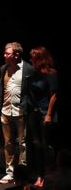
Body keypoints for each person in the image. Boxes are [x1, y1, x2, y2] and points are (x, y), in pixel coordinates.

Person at [0, 42, 34, 184]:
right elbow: (1, 88)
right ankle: (10, 173)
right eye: (5, 53)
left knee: (22, 143)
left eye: (8, 54)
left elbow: (32, 91)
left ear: (16, 55)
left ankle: (22, 173)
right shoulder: (4, 68)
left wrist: (27, 106)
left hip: (20, 112)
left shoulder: (28, 69)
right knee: (8, 143)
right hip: (6, 111)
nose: (4, 56)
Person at [26, 46, 58, 180]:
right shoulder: (34, 74)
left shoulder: (51, 74)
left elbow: (54, 95)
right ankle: (39, 175)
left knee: (46, 145)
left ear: (40, 59)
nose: (30, 60)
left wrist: (49, 114)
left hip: (45, 112)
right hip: (34, 113)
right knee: (36, 144)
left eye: (33, 58)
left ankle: (48, 175)